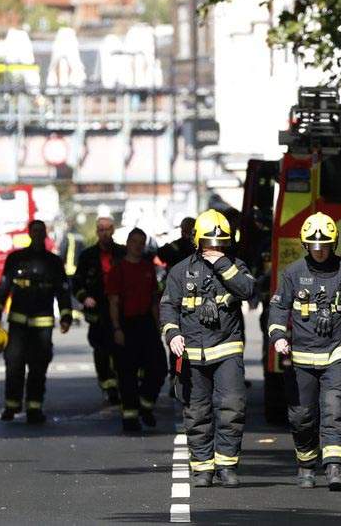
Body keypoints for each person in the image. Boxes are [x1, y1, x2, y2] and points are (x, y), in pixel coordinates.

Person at [267, 212, 341, 491]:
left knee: (333, 409)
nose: (319, 252)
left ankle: (334, 468)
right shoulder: (293, 273)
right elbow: (279, 308)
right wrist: (279, 336)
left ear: (333, 244)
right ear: (306, 246)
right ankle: (306, 464)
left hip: (336, 353)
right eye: (314, 247)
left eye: (324, 246)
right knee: (302, 416)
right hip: (302, 357)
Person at [160, 209, 256, 488]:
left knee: (231, 407)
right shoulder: (180, 271)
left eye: (221, 244)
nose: (215, 248)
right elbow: (167, 307)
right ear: (197, 241)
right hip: (191, 353)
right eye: (210, 244)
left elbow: (247, 290)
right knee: (197, 410)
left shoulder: (236, 265)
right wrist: (173, 334)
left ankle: (227, 465)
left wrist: (224, 265)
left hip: (226, 349)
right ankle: (202, 467)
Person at [0, 220, 73, 424]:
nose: (37, 235)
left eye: (40, 231)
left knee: (38, 367)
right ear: (29, 233)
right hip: (18, 323)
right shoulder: (15, 259)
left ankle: (34, 407)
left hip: (42, 324)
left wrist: (66, 316)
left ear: (45, 234)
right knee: (14, 363)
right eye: (34, 231)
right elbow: (4, 286)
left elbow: (62, 290)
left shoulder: (53, 261)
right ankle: (11, 405)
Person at [106, 227, 167, 433]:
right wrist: (117, 329)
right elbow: (113, 302)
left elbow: (153, 301)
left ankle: (145, 405)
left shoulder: (148, 268)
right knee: (127, 374)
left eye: (142, 242)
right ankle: (130, 417)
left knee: (159, 367)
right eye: (135, 242)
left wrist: (159, 326)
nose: (138, 246)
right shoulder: (119, 269)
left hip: (146, 324)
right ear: (128, 243)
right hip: (126, 324)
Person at [72, 216, 125, 404]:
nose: (104, 233)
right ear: (97, 232)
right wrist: (84, 297)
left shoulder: (122, 253)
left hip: (119, 310)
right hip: (97, 313)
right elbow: (77, 282)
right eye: (101, 229)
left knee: (120, 350)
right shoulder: (87, 256)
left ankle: (120, 383)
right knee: (101, 351)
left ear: (113, 231)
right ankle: (108, 385)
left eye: (107, 229)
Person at [157, 216, 196, 394]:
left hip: (195, 303)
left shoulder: (197, 248)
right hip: (177, 301)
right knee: (175, 342)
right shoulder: (177, 247)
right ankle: (176, 378)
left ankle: (186, 378)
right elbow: (162, 253)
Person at [58, 224, 86, 323]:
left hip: (69, 269)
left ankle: (73, 314)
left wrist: (61, 262)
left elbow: (62, 250)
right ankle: (77, 312)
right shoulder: (81, 237)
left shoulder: (68, 237)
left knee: (70, 292)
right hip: (79, 269)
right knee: (77, 290)